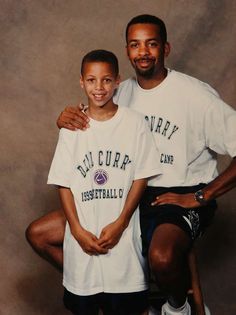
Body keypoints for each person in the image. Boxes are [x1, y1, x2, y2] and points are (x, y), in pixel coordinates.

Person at [26, 14, 236, 315]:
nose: (143, 52)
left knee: (162, 257)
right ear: (127, 51)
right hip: (122, 193)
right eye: (135, 45)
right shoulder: (120, 92)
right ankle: (100, 285)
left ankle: (177, 307)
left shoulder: (196, 96)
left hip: (178, 195)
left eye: (151, 44)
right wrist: (65, 118)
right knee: (39, 234)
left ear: (166, 48)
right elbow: (87, 122)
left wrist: (201, 196)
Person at [47, 49, 161, 315]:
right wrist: (75, 229)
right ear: (81, 82)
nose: (99, 88)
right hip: (82, 246)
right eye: (91, 80)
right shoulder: (73, 128)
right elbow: (63, 183)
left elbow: (140, 177)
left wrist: (121, 222)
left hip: (123, 250)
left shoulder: (134, 123)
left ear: (118, 81)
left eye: (107, 80)